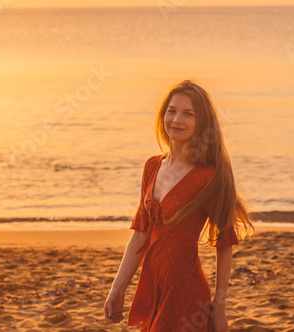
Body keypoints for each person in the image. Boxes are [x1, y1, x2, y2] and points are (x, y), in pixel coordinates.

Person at [103, 80, 254, 332]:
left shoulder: (208, 176)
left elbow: (225, 241)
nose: (177, 120)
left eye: (188, 114)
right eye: (171, 111)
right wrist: (117, 287)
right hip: (154, 286)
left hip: (186, 289)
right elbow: (140, 233)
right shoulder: (152, 166)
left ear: (202, 123)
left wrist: (220, 304)